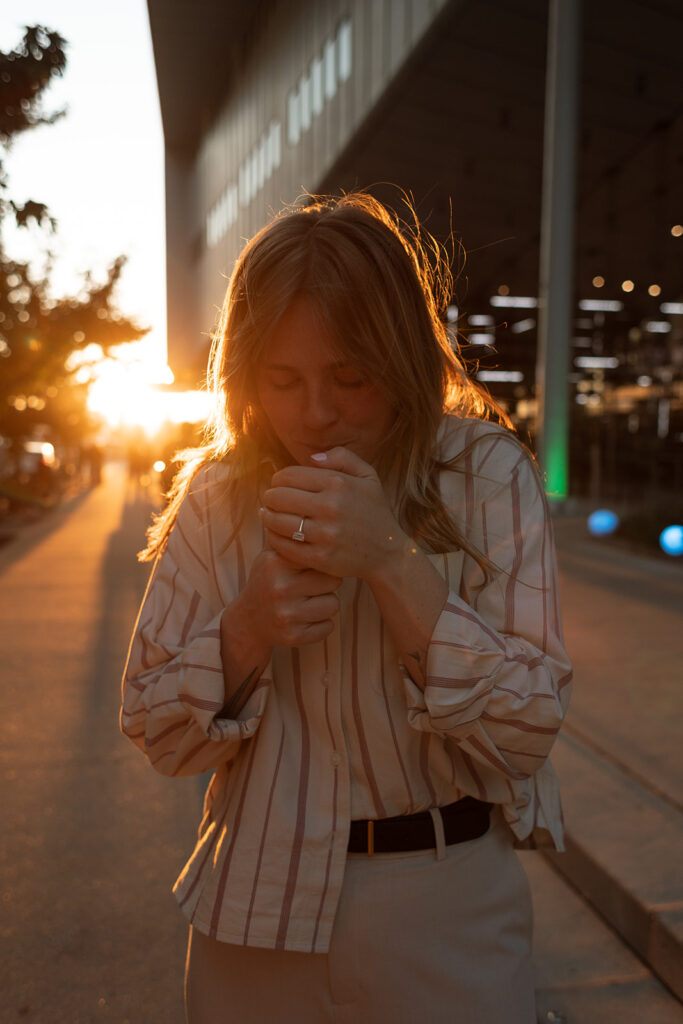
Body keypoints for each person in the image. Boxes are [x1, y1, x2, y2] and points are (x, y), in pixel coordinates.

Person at [120, 192, 572, 1024]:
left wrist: (392, 563)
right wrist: (247, 627)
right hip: (252, 909)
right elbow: (151, 727)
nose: (315, 413)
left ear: (401, 358)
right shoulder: (217, 499)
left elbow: (527, 731)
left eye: (350, 378)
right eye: (282, 380)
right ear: (244, 374)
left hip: (444, 907)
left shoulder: (483, 475)